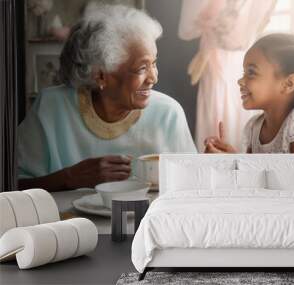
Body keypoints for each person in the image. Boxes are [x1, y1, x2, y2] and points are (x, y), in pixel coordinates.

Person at [18, 3, 197, 192]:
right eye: (142, 68)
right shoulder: (51, 108)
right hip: (65, 221)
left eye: (154, 63)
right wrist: (69, 178)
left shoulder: (168, 113)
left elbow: (193, 187)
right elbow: (11, 187)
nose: (154, 77)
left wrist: (212, 167)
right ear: (101, 76)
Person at [204, 33, 294, 194]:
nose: (240, 81)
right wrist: (228, 161)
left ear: (288, 84)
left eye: (251, 73)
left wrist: (236, 162)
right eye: (243, 73)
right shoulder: (253, 127)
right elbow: (249, 185)